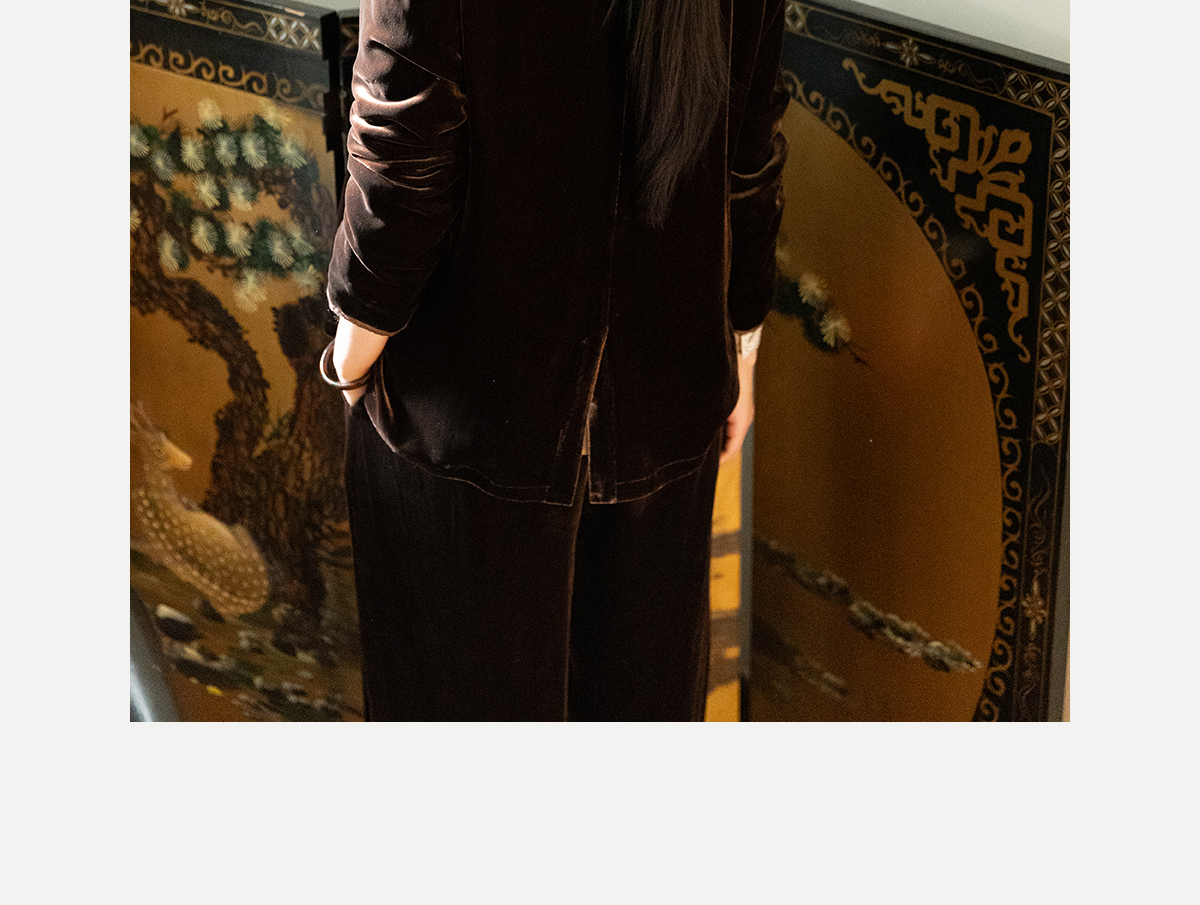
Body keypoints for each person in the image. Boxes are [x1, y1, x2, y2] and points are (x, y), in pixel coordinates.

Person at [322, 0, 789, 720]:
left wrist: (352, 357)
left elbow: (404, 148)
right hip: (668, 402)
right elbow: (749, 148)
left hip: (468, 419)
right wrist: (743, 349)